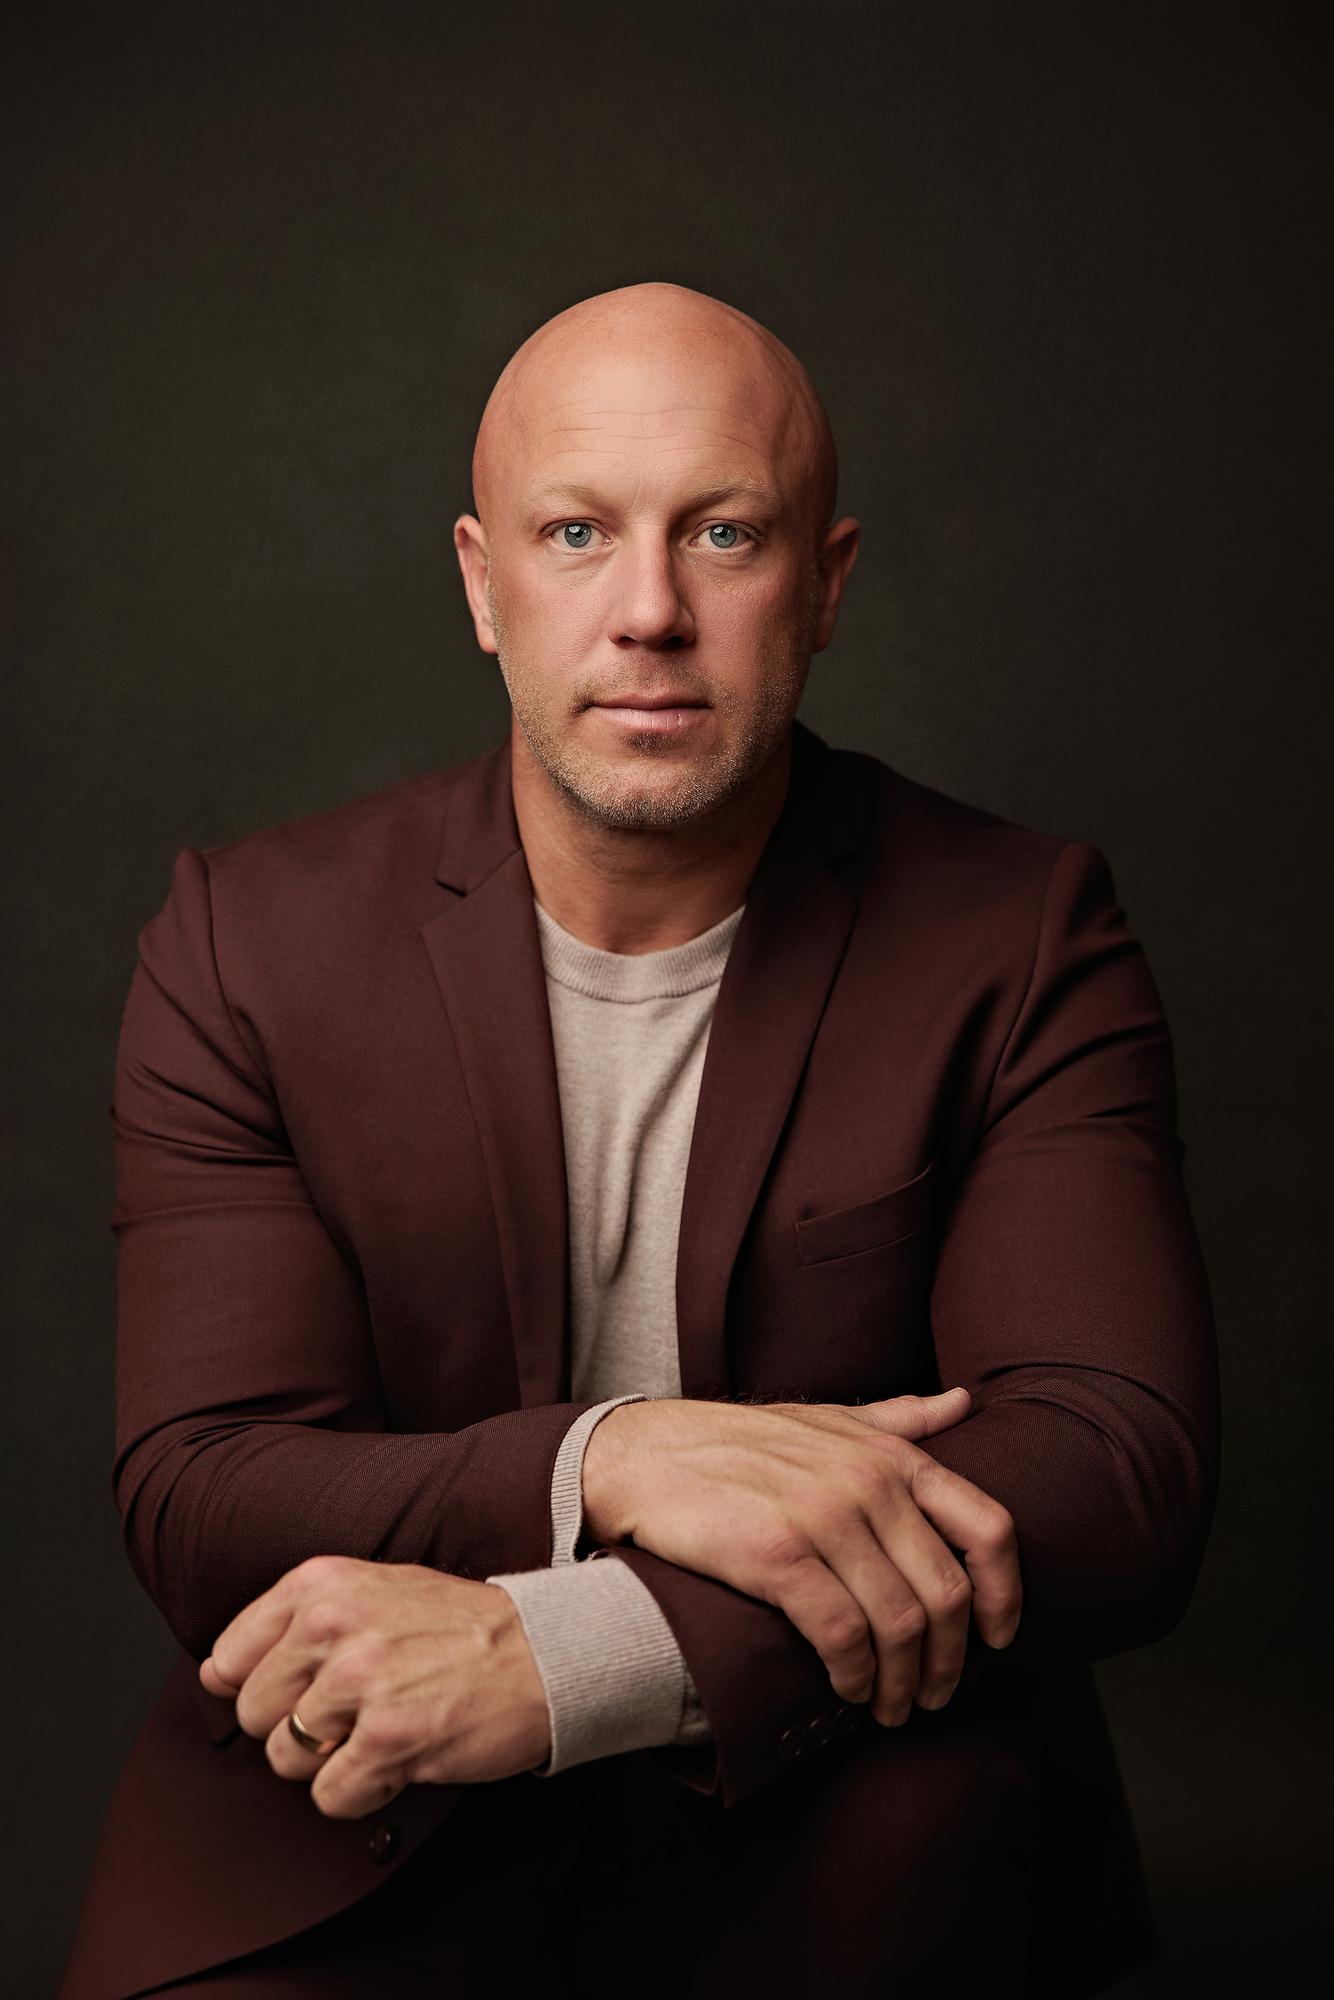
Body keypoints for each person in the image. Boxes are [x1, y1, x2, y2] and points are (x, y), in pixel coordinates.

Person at [61, 281, 1219, 1999]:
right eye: (580, 530)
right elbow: (206, 1485)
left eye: (725, 533)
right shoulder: (247, 942)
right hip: (359, 1815)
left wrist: (571, 1649)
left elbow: (1113, 1474)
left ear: (824, 583)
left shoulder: (1018, 932)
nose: (650, 612)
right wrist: (608, 1458)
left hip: (843, 1815)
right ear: (482, 583)